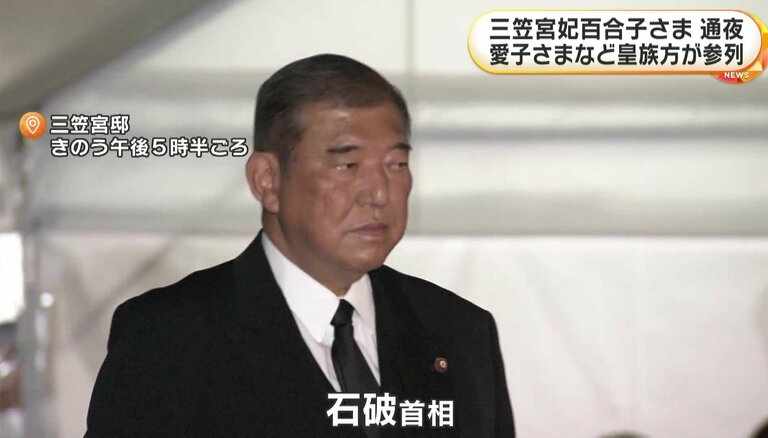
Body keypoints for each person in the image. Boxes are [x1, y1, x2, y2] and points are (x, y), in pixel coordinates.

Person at [85, 54, 514, 437]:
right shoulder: (170, 338)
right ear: (268, 181)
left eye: (396, 164)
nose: (379, 193)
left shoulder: (459, 332)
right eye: (348, 165)